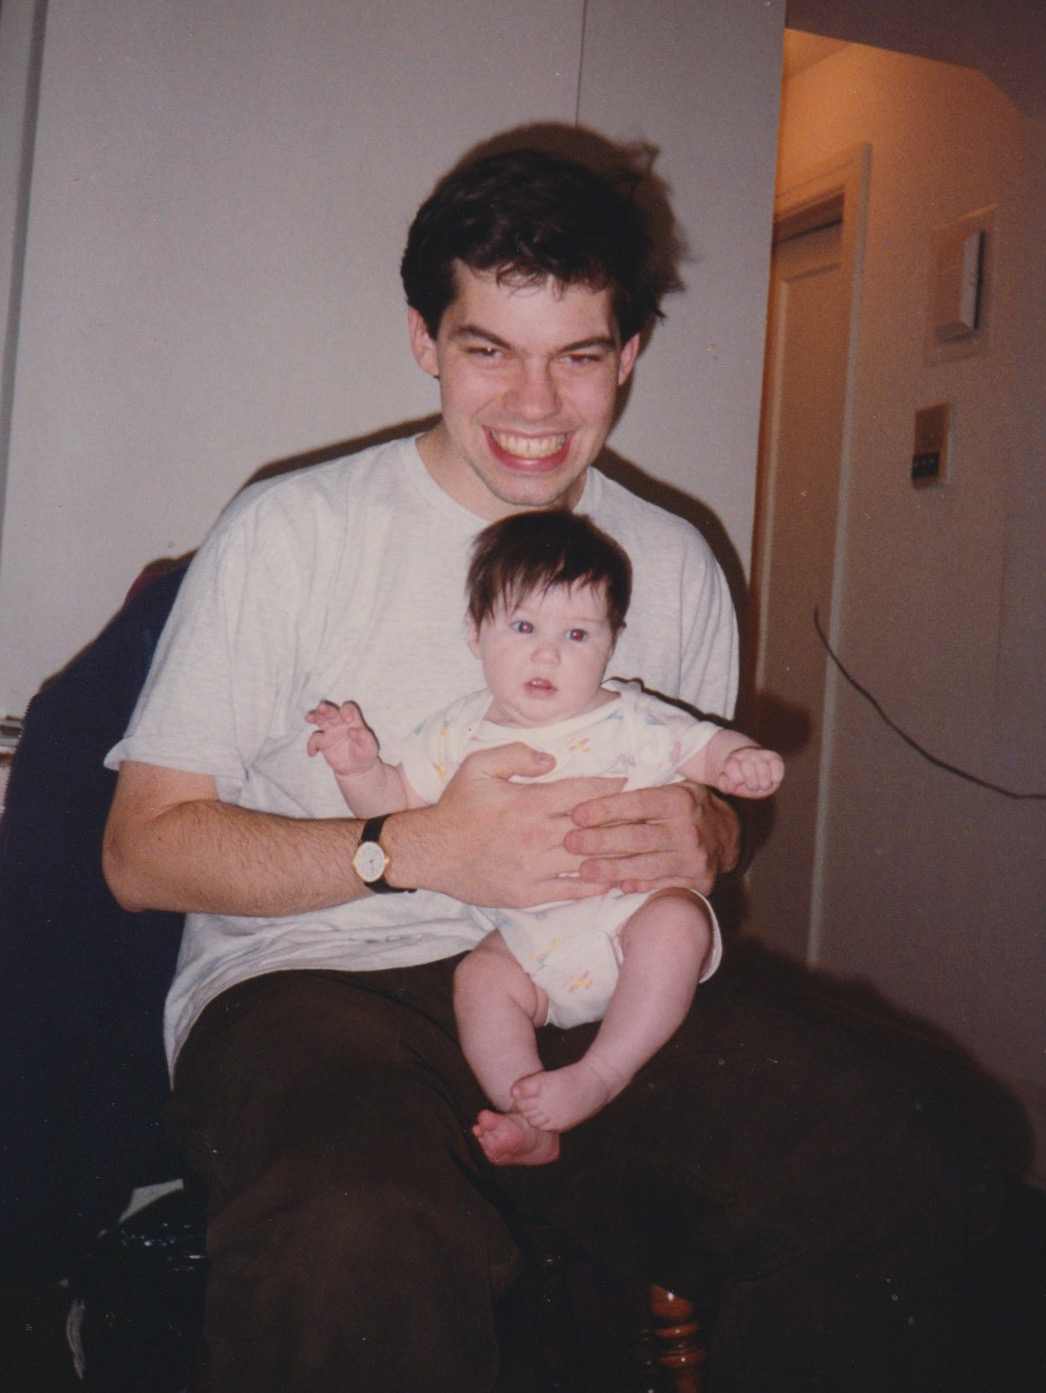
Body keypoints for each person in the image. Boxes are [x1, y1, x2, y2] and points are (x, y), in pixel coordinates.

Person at [103, 140, 972, 1392]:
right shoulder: (291, 530)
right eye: (486, 349)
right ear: (422, 339)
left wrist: (716, 837)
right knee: (357, 1233)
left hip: (584, 978)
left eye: (575, 356)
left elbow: (694, 803)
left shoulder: (671, 560)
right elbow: (141, 852)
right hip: (309, 980)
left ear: (626, 355)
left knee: (892, 1160)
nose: (533, 406)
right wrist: (406, 850)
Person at [305, 509, 783, 1166]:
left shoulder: (629, 716)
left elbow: (699, 746)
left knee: (677, 925)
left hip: (630, 915)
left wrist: (738, 759)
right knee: (479, 978)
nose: (547, 652)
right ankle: (524, 1110)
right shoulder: (457, 731)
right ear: (476, 632)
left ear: (611, 643)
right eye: (523, 625)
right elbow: (394, 805)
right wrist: (359, 767)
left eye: (578, 633)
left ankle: (601, 1073)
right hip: (531, 945)